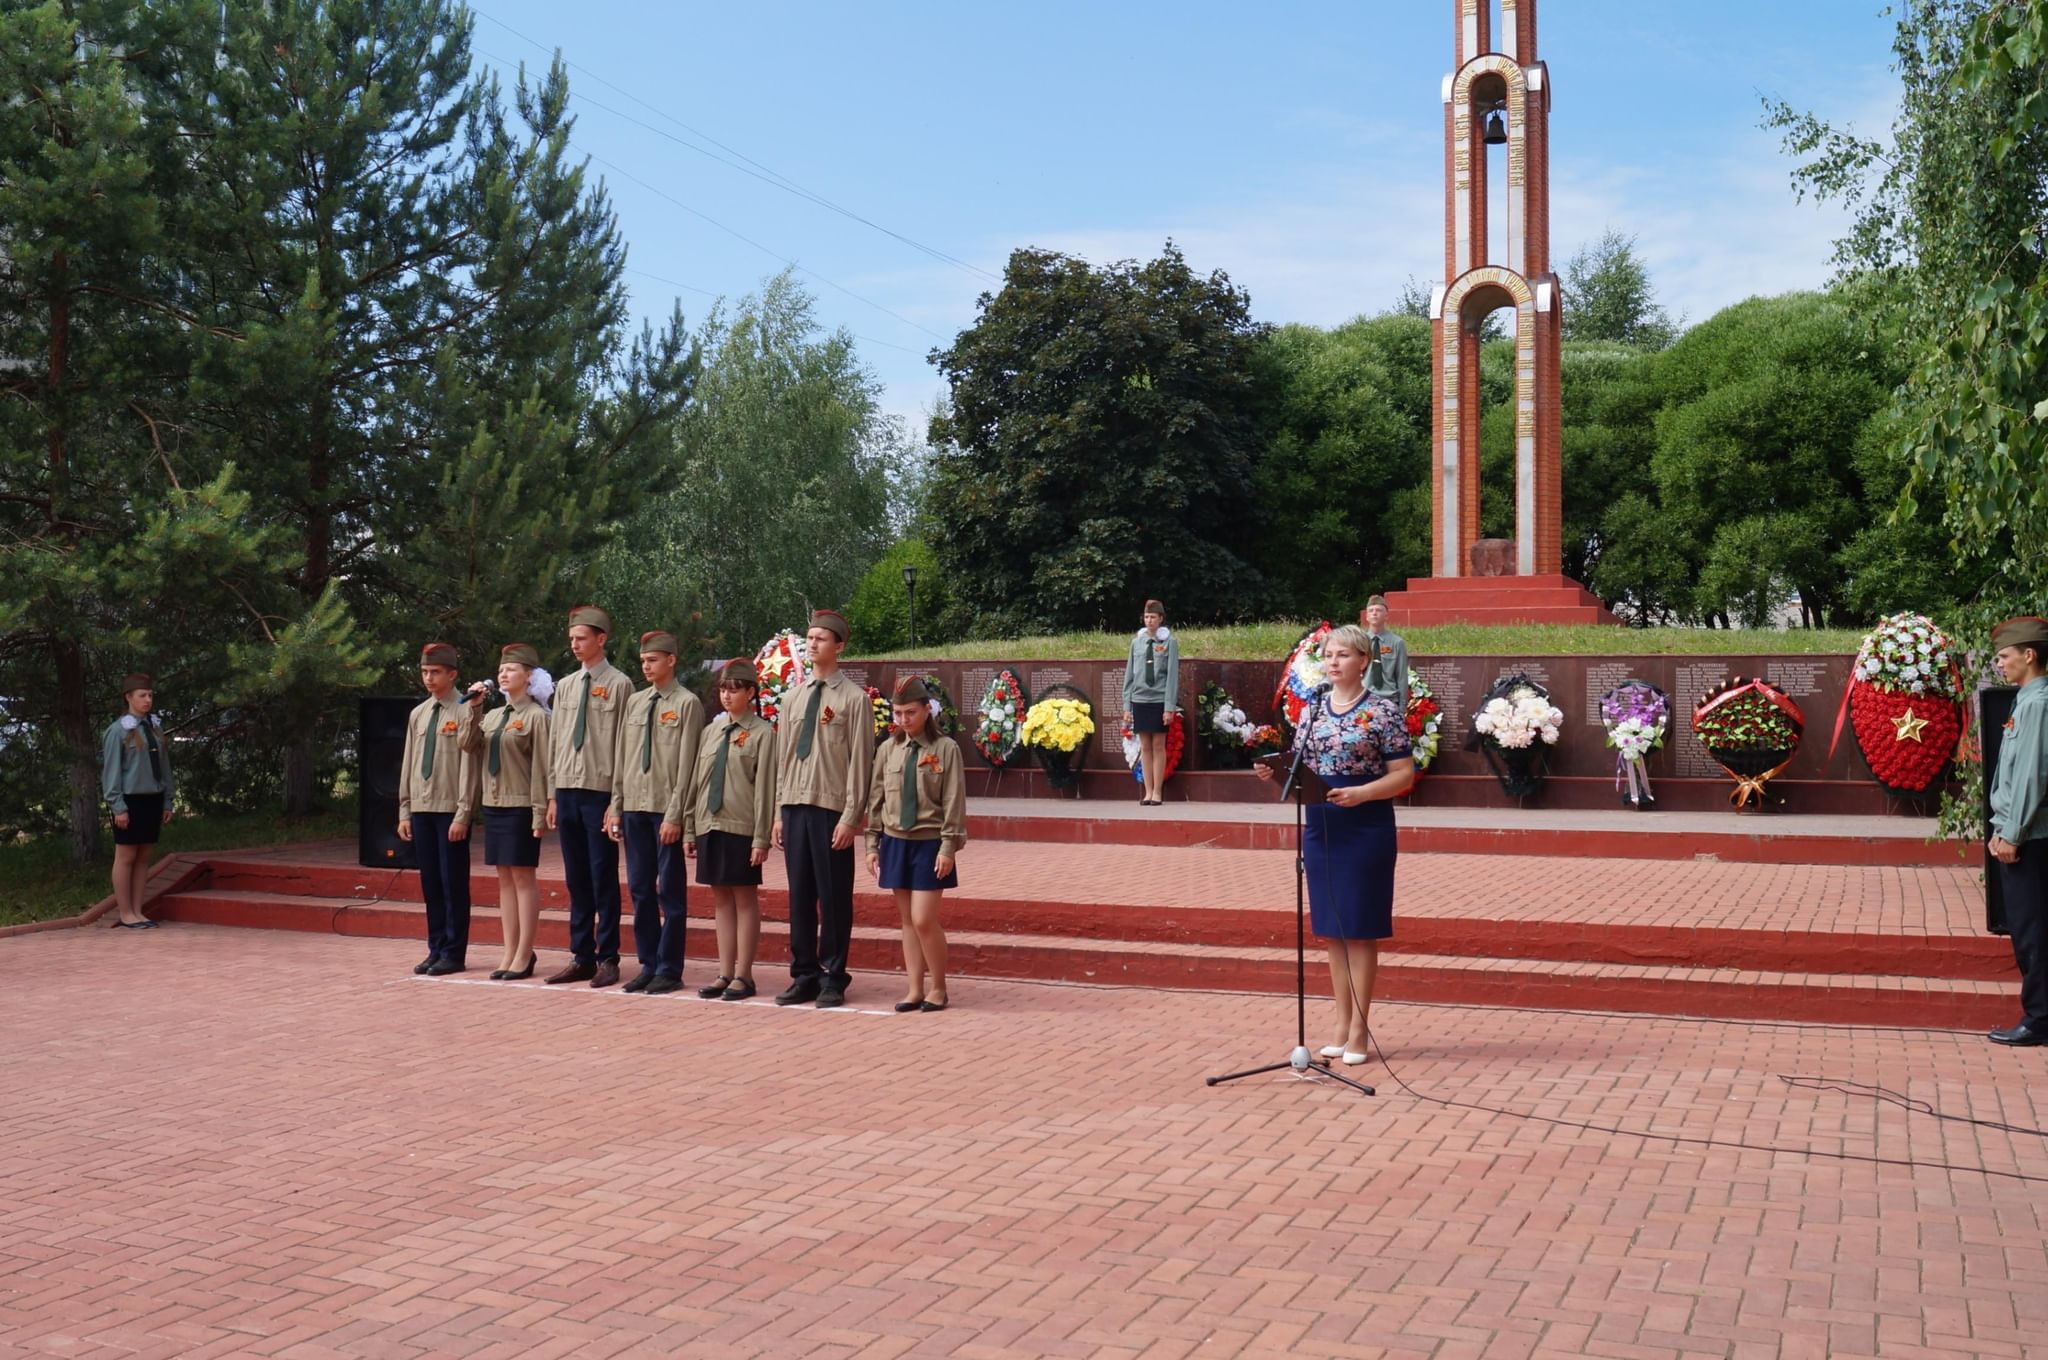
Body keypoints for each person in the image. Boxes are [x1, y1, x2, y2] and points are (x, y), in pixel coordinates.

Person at [1253, 623, 1415, 1066]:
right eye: (1328, 655)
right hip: (1322, 823)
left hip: (1365, 823)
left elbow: (1404, 774)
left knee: (1359, 930)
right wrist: (1277, 774)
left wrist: (1362, 793)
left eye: (1343, 655)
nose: (1333, 662)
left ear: (1364, 661)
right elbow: (1304, 768)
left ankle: (1362, 1030)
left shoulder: (1382, 711)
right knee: (1332, 931)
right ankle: (1341, 1025)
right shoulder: (1312, 709)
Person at [772, 608, 874, 1008]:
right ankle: (804, 973)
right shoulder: (793, 697)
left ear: (839, 646)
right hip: (795, 805)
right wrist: (778, 812)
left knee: (833, 896)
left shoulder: (854, 699)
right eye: (809, 637)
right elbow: (783, 757)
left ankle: (834, 975)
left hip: (831, 809)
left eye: (820, 638)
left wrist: (851, 817)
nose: (812, 644)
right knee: (800, 895)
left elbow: (859, 762)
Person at [606, 630, 705, 995]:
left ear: (671, 661)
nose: (646, 666)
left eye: (653, 660)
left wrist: (676, 814)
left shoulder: (686, 703)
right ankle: (648, 963)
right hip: (634, 807)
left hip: (665, 809)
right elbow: (622, 757)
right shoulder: (635, 702)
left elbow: (688, 764)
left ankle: (669, 967)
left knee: (671, 893)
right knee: (640, 889)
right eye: (643, 661)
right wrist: (616, 806)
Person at [544, 605, 635, 989]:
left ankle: (607, 956)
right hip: (567, 790)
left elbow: (624, 747)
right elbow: (555, 743)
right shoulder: (565, 686)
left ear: (601, 639)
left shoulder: (620, 685)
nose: (575, 645)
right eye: (571, 639)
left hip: (599, 792)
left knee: (602, 876)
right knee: (575, 877)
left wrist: (617, 803)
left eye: (582, 638)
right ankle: (580, 956)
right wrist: (551, 795)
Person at [867, 676, 967, 1013]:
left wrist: (948, 846)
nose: (903, 720)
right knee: (907, 920)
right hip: (896, 841)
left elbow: (953, 800)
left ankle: (938, 987)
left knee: (924, 918)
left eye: (910, 712)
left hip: (929, 842)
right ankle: (914, 989)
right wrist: (871, 843)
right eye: (897, 713)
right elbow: (877, 799)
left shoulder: (945, 749)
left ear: (927, 710)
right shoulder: (887, 750)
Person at [684, 660, 778, 1001]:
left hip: (741, 826)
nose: (726, 696)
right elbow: (698, 781)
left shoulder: (762, 734)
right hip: (711, 823)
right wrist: (690, 828)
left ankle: (744, 974)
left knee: (743, 896)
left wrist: (761, 836)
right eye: (723, 689)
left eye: (734, 690)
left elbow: (766, 788)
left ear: (751, 693)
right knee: (720, 898)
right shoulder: (711, 732)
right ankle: (724, 971)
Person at [461, 643, 552, 981]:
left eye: (511, 669)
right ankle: (509, 949)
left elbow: (544, 767)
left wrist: (540, 812)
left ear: (529, 677)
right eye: (501, 670)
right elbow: (468, 745)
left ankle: (525, 952)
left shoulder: (537, 717)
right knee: (503, 879)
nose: (503, 674)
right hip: (495, 804)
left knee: (522, 878)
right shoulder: (494, 716)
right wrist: (473, 709)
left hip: (521, 804)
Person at [398, 642, 481, 976]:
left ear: (452, 674)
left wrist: (464, 813)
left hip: (449, 808)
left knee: (453, 883)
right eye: (424, 672)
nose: (429, 678)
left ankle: (454, 952)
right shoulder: (419, 713)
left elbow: (469, 764)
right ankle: (436, 947)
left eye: (435, 672)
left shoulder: (465, 710)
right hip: (422, 805)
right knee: (431, 882)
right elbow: (408, 763)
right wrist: (404, 809)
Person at [1988, 614, 2048, 1046]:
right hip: (2024, 832)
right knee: (2031, 929)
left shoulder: (2038, 704)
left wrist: (2011, 832)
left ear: (2029, 655)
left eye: (2005, 655)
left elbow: (2031, 777)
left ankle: (2040, 1019)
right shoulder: (2028, 699)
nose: (1999, 663)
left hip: (2032, 838)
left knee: (2033, 931)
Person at [100, 672, 174, 929]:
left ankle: (138, 910)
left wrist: (168, 801)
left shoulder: (154, 728)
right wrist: (117, 806)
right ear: (128, 697)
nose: (147, 700)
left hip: (153, 798)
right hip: (130, 801)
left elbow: (165, 767)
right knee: (126, 857)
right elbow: (111, 773)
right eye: (142, 695)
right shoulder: (117, 731)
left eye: (150, 695)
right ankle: (125, 912)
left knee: (143, 858)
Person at [1122, 599, 1180, 807]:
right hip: (1139, 699)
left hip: (1158, 699)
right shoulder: (1136, 643)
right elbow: (1129, 674)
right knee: (1145, 746)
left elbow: (1172, 676)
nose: (1149, 621)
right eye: (1146, 617)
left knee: (1158, 745)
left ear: (1161, 619)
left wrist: (1169, 707)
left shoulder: (1169, 643)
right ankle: (1147, 791)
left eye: (1153, 617)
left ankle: (1157, 791)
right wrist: (1127, 706)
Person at [1362, 594, 1410, 708]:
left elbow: (1402, 676)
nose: (1374, 613)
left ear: (1386, 616)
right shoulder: (1360, 641)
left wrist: (1402, 707)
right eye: (1371, 610)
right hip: (1364, 699)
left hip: (1389, 699)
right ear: (1367, 616)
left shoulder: (1397, 643)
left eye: (1378, 610)